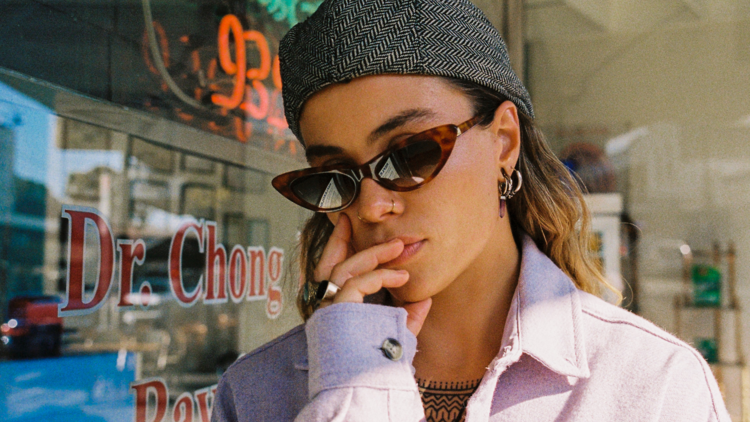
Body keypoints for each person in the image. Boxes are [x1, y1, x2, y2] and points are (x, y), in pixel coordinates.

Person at [211, 0, 730, 421]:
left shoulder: (652, 385)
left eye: (411, 153)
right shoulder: (258, 393)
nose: (372, 205)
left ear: (503, 142)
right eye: (333, 177)